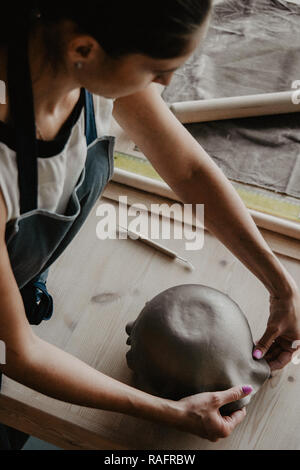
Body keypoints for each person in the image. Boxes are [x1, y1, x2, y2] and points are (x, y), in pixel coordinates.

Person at [0, 0, 299, 449]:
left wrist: (281, 285)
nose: (166, 84)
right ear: (86, 48)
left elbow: (189, 172)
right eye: (158, 69)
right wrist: (168, 411)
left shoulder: (76, 64)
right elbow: (18, 353)